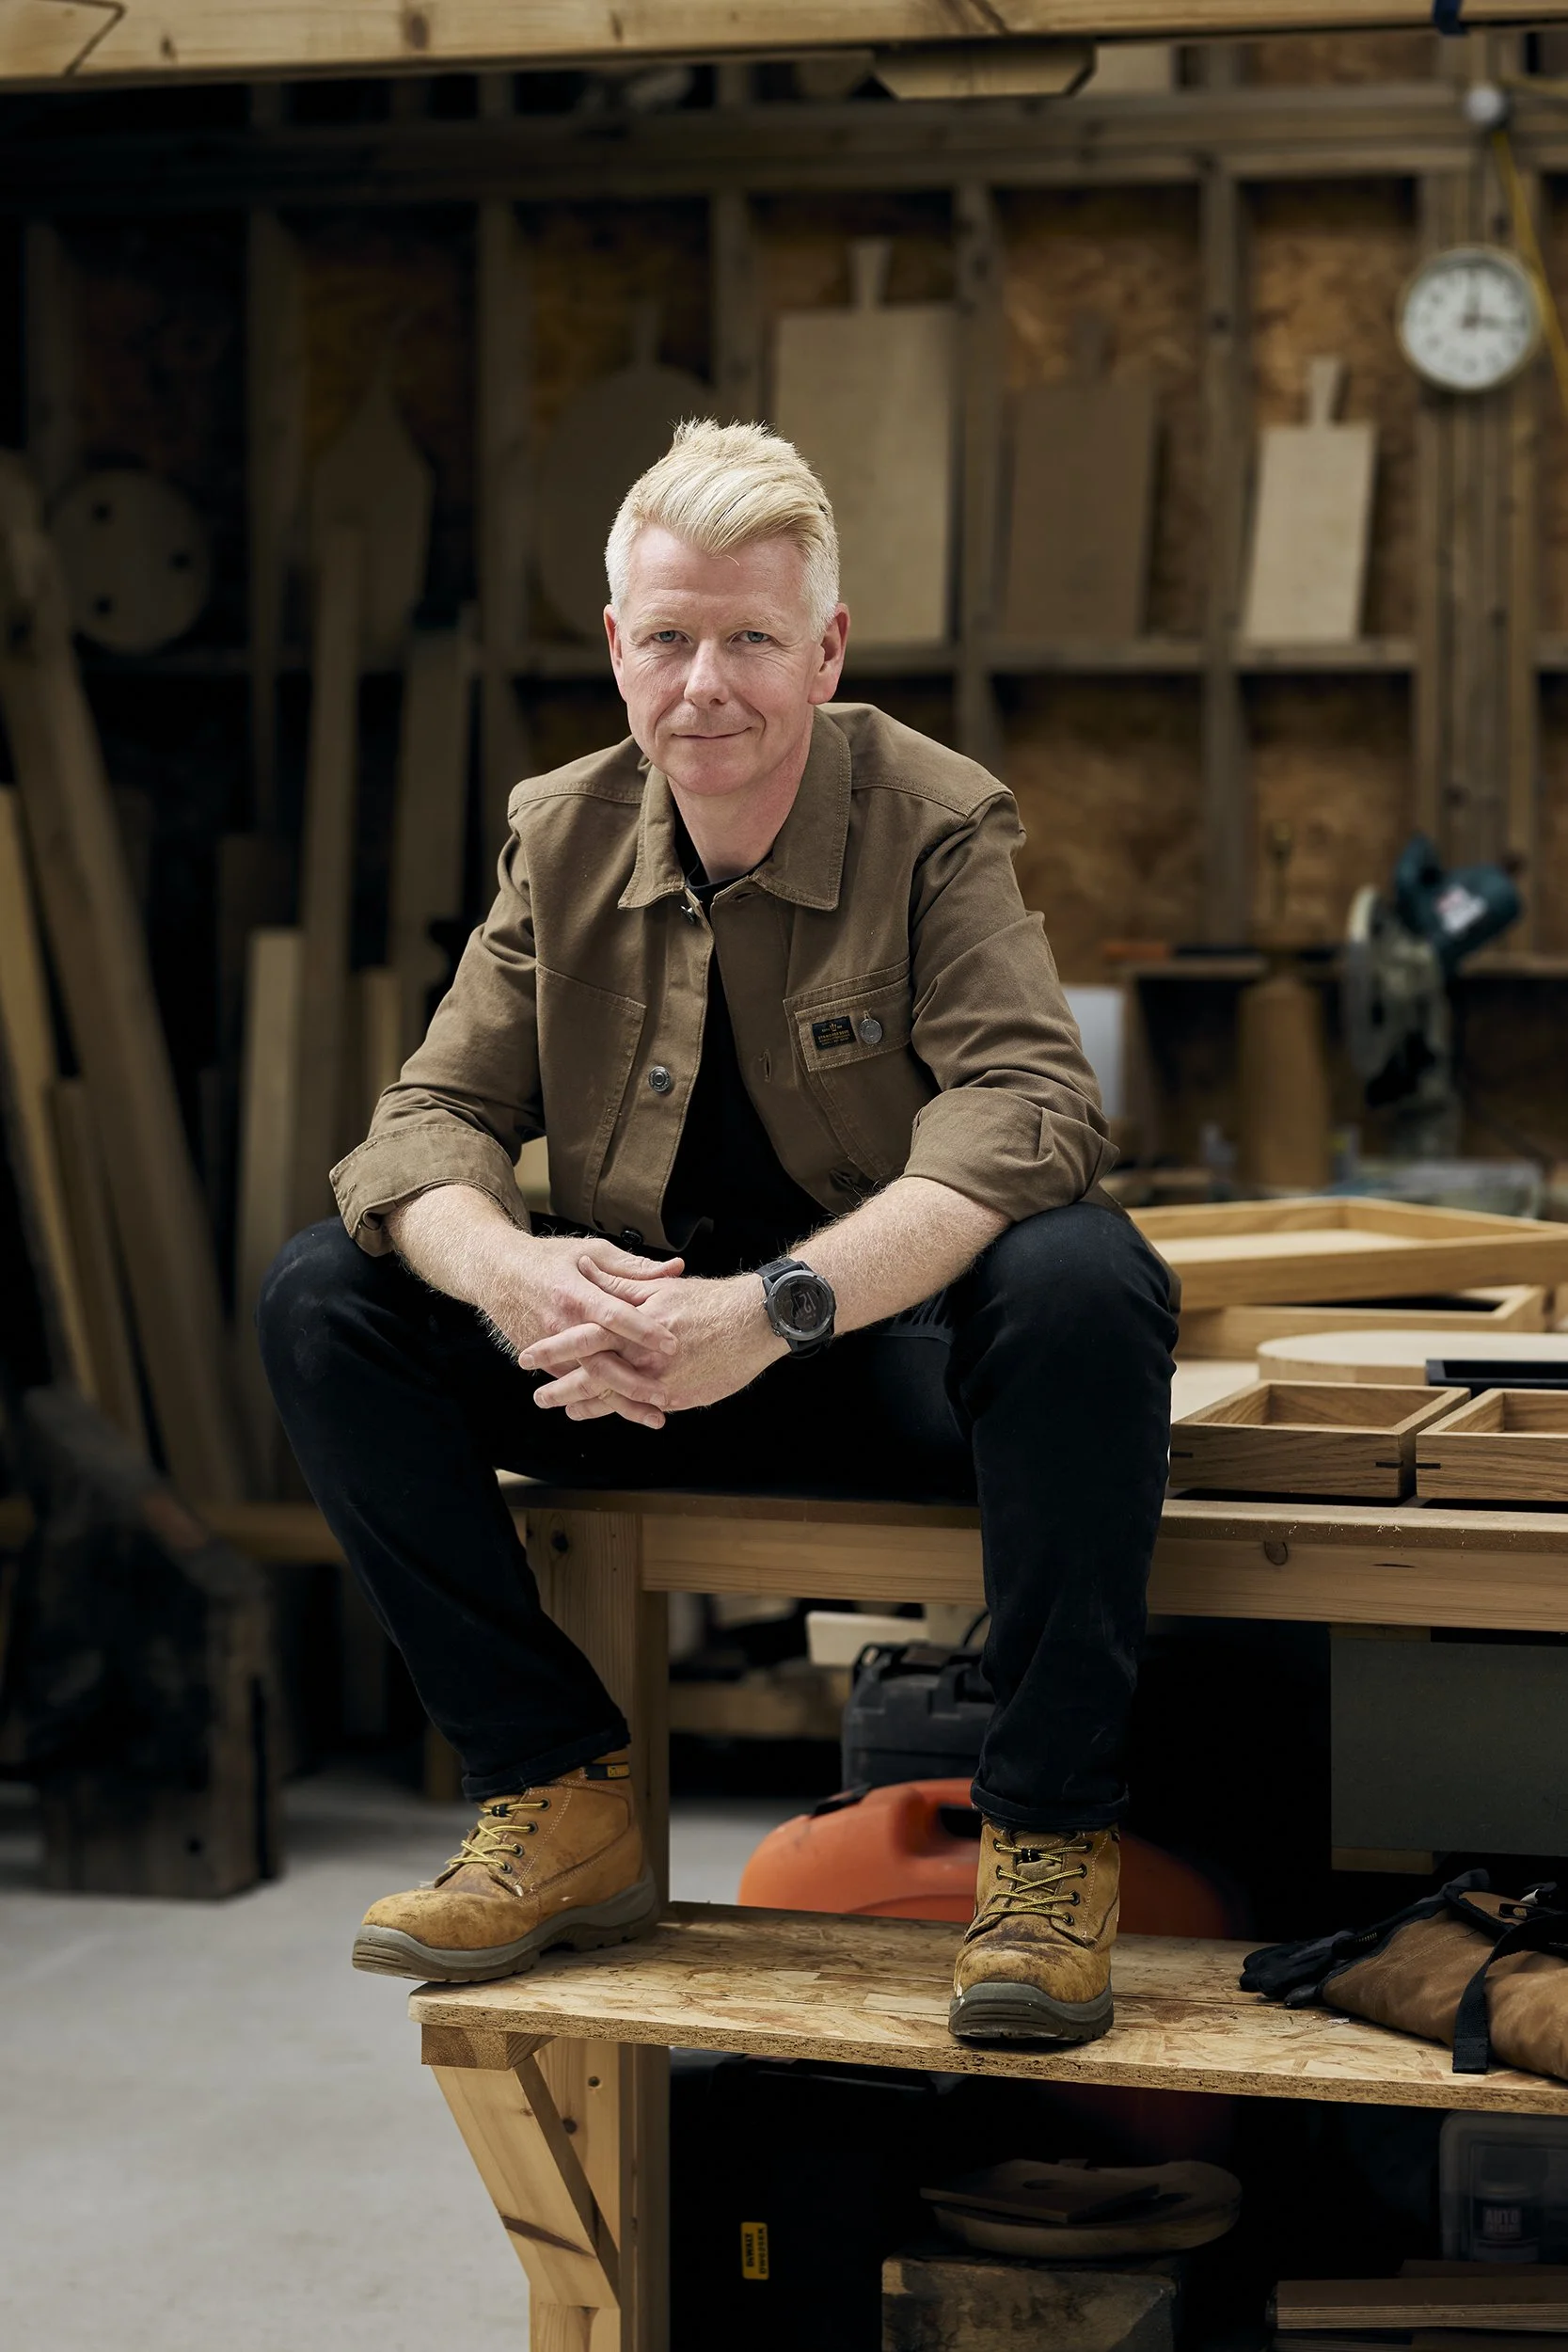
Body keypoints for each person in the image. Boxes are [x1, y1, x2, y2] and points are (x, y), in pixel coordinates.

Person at [260, 420, 1177, 2047]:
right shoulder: (558, 831)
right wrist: (516, 1270)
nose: (706, 686)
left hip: (877, 1369)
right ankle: (555, 1789)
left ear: (823, 650)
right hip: (621, 1370)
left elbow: (1033, 1110)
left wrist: (776, 1307)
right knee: (329, 1292)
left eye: (751, 639)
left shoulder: (936, 817)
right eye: (668, 638)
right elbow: (422, 1129)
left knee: (1085, 1275)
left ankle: (1042, 1844)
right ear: (616, 647)